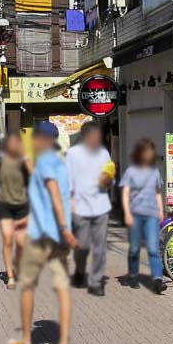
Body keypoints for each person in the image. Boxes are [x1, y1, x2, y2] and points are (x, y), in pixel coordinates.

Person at [9, 121, 80, 344]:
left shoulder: (45, 163)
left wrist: (61, 226)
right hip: (58, 235)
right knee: (62, 287)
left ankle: (28, 341)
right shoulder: (61, 163)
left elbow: (53, 194)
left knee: (28, 285)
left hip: (43, 237)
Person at [65, 121, 114, 295]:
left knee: (100, 247)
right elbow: (68, 179)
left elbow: (109, 175)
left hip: (101, 206)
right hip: (80, 207)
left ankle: (96, 282)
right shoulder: (72, 154)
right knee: (83, 245)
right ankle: (79, 271)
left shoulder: (103, 153)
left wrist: (108, 180)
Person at [119, 138, 166, 291]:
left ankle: (158, 279)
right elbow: (125, 193)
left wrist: (161, 210)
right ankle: (133, 275)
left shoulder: (154, 172)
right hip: (135, 214)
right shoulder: (131, 172)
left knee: (153, 248)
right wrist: (126, 213)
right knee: (134, 249)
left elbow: (158, 192)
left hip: (151, 214)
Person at [0, 133, 31, 287]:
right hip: (5, 206)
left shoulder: (25, 162)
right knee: (8, 240)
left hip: (23, 206)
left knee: (20, 242)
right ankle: (10, 276)